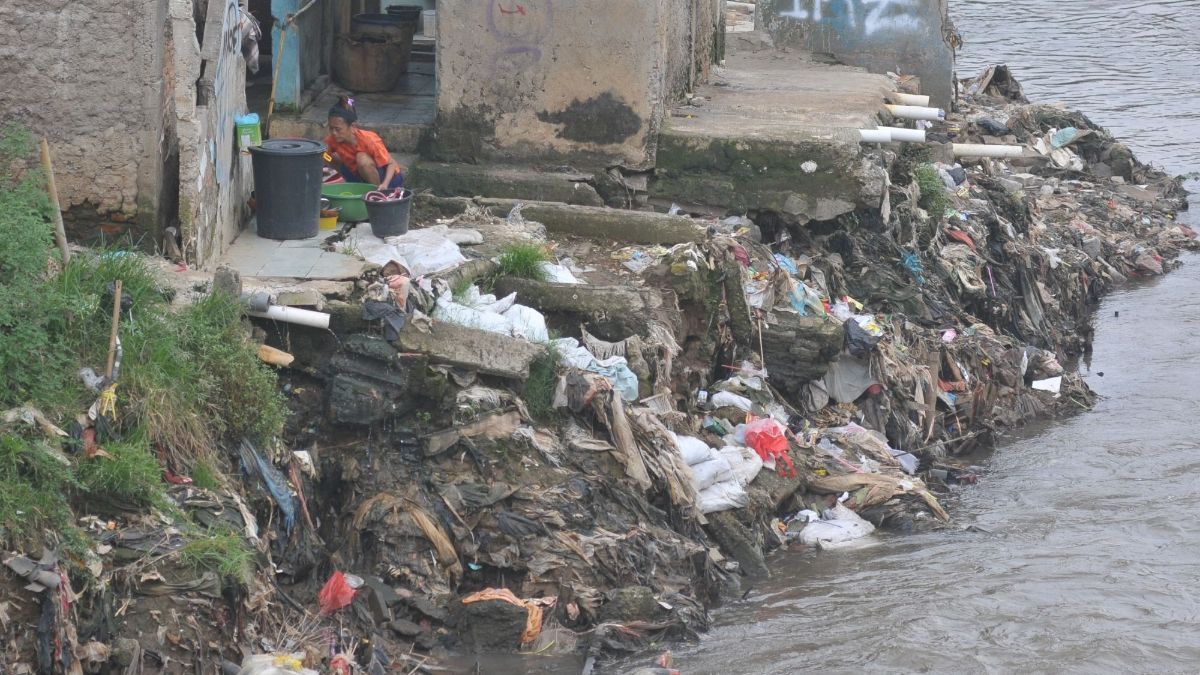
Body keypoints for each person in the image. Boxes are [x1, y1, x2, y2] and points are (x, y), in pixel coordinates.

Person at [324, 96, 405, 190]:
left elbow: (392, 164)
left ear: (352, 126)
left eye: (338, 129)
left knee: (362, 158)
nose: (334, 133)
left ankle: (376, 193)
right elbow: (324, 156)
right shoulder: (331, 140)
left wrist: (385, 185)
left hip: (387, 180)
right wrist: (328, 160)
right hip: (358, 175)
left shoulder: (370, 140)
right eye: (331, 128)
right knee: (327, 154)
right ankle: (351, 183)